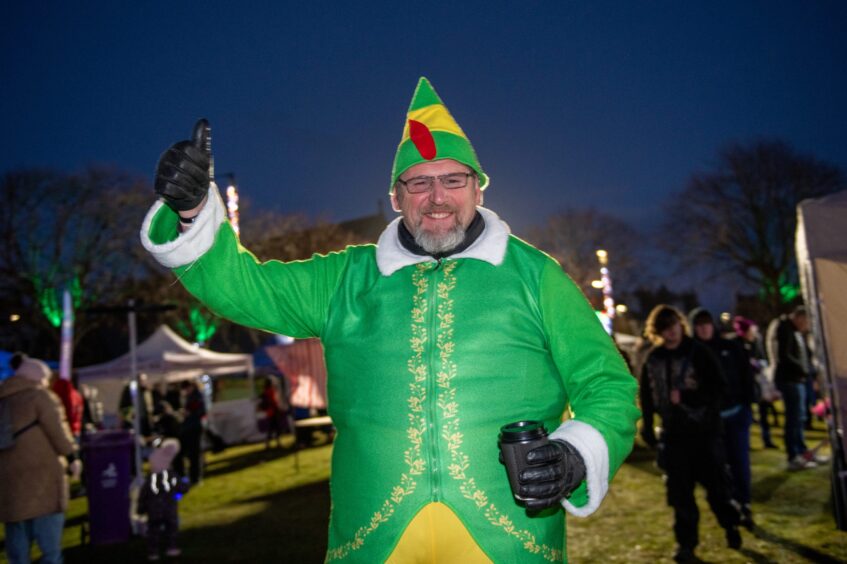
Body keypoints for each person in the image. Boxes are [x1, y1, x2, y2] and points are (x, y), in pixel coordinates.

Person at [141, 77, 640, 562]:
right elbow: (243, 288)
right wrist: (192, 212)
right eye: (419, 183)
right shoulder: (347, 278)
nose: (437, 197)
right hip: (374, 541)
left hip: (510, 539)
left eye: (453, 180)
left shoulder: (536, 276)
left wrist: (577, 452)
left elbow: (606, 384)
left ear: (479, 190)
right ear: (396, 197)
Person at [640, 305, 741, 562]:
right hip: (674, 438)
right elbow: (647, 396)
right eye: (664, 329)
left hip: (704, 435)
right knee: (680, 496)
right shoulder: (654, 358)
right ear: (657, 331)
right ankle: (686, 546)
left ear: (680, 325)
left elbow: (720, 389)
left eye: (673, 326)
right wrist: (648, 426)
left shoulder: (699, 352)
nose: (670, 333)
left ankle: (731, 525)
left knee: (717, 491)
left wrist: (689, 396)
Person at [0, 355, 81, 564]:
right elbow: (58, 433)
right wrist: (72, 456)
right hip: (43, 479)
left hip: (9, 483)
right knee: (50, 549)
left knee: (17, 545)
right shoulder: (40, 397)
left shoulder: (4, 399)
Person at [690, 308, 755, 529]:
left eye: (707, 323)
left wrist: (747, 405)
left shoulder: (731, 347)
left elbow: (746, 376)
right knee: (718, 466)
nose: (704, 328)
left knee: (739, 461)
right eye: (698, 324)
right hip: (710, 421)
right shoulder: (693, 354)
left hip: (736, 413)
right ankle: (729, 505)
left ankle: (744, 502)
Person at [766, 306, 824, 470]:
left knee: (799, 416)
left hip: (797, 379)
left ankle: (802, 452)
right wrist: (803, 369)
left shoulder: (794, 331)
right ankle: (794, 455)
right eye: (806, 322)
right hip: (789, 380)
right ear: (799, 318)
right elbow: (784, 356)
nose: (807, 327)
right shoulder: (784, 328)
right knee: (794, 417)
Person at [137, 438, 190, 561]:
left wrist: (141, 508)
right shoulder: (171, 476)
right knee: (171, 528)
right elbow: (183, 488)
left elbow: (143, 495)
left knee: (153, 530)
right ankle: (171, 548)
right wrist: (184, 485)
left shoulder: (150, 479)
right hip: (169, 508)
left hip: (153, 510)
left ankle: (153, 552)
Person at [732, 316, 778, 449]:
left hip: (758, 382)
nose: (753, 334)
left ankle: (767, 439)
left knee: (764, 411)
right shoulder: (737, 344)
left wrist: (760, 365)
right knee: (747, 416)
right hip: (745, 386)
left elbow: (761, 357)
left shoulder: (756, 342)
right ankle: (746, 442)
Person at [179, 379, 206, 484]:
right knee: (192, 454)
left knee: (194, 454)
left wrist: (189, 413)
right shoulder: (191, 396)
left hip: (194, 427)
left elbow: (201, 411)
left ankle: (196, 477)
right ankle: (193, 476)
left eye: (186, 389)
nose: (185, 391)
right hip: (190, 427)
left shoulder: (197, 396)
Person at [259, 376, 284, 449]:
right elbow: (274, 401)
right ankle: (276, 443)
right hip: (273, 411)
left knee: (271, 429)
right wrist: (279, 409)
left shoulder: (265, 391)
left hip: (269, 412)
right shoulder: (270, 391)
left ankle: (269, 444)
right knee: (276, 428)